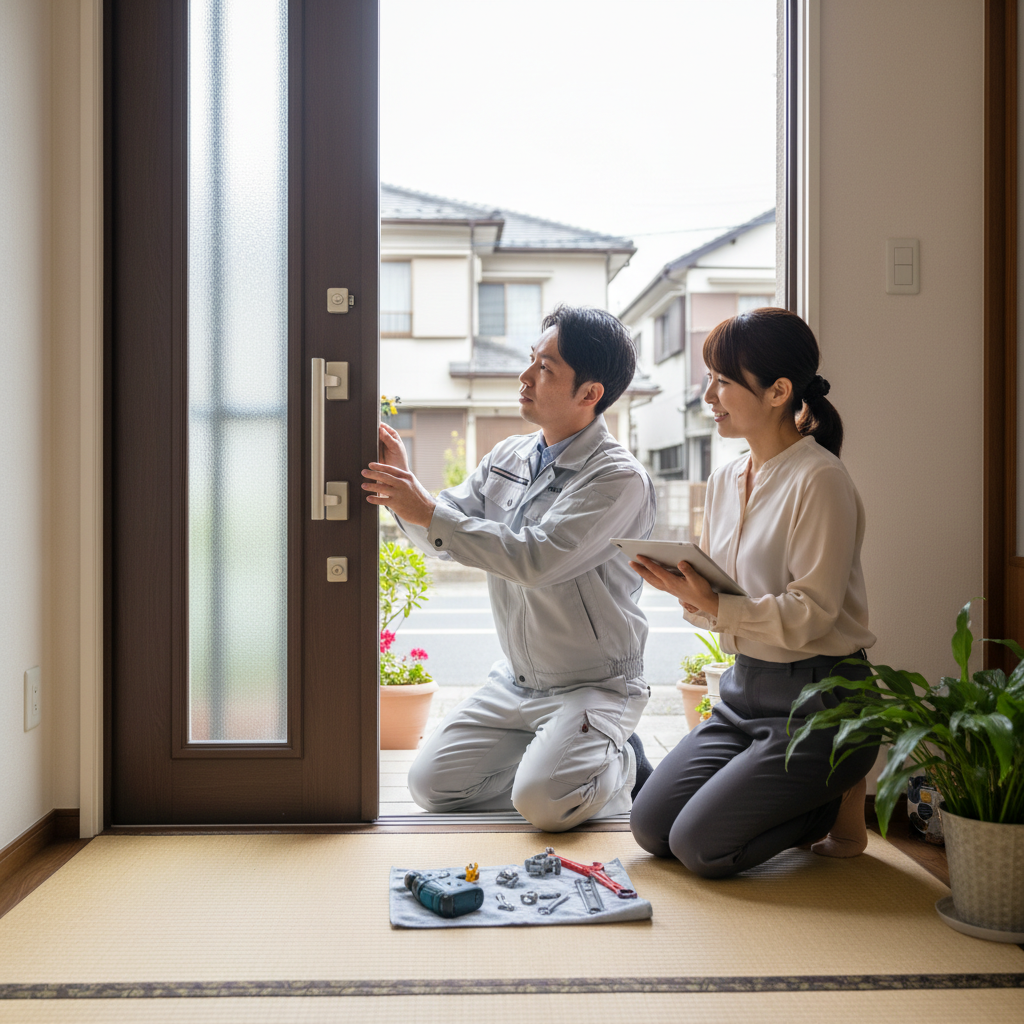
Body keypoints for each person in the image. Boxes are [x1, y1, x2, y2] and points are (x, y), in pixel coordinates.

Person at [361, 305, 656, 832]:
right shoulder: (509, 456)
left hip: (593, 684)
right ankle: (561, 761)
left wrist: (427, 510)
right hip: (517, 681)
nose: (525, 376)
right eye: (531, 360)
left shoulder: (617, 478)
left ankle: (620, 762)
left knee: (544, 806)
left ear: (590, 393)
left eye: (545, 368)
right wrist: (403, 489)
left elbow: (536, 558)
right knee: (430, 786)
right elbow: (441, 532)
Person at [628, 307, 878, 878]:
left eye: (722, 381)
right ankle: (813, 788)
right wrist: (689, 593)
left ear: (778, 392)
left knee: (701, 848)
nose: (707, 396)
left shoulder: (820, 479)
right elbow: (725, 600)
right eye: (708, 379)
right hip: (743, 694)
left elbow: (814, 614)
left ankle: (836, 793)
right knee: (650, 827)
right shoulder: (725, 479)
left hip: (819, 701)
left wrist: (716, 605)